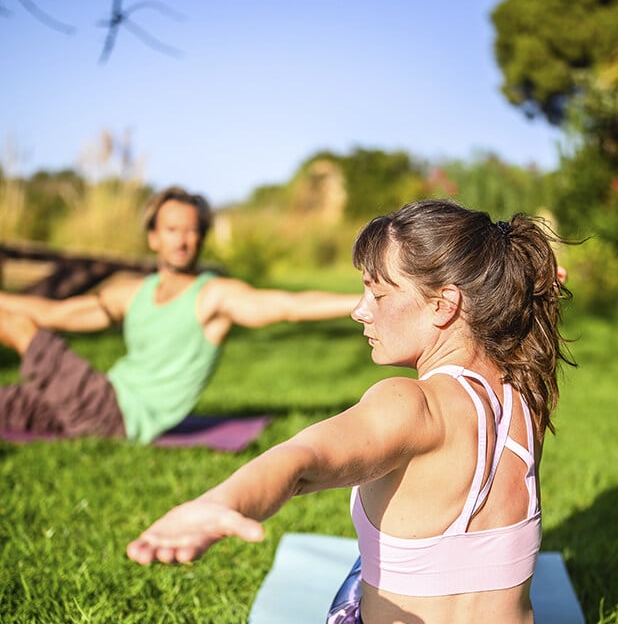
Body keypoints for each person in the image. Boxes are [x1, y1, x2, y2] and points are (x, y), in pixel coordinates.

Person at [127, 199, 574, 624]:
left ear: (445, 304)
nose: (360, 310)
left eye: (379, 292)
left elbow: (301, 459)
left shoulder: (408, 405)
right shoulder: (530, 388)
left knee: (368, 560)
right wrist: (527, 280)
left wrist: (217, 502)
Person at [0, 186, 359, 443]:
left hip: (119, 416)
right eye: (172, 230)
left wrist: (361, 300)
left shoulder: (212, 296)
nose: (182, 240)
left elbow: (288, 307)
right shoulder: (133, 294)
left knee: (15, 327)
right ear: (153, 238)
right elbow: (56, 313)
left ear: (201, 239)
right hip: (101, 396)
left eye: (192, 231)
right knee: (9, 404)